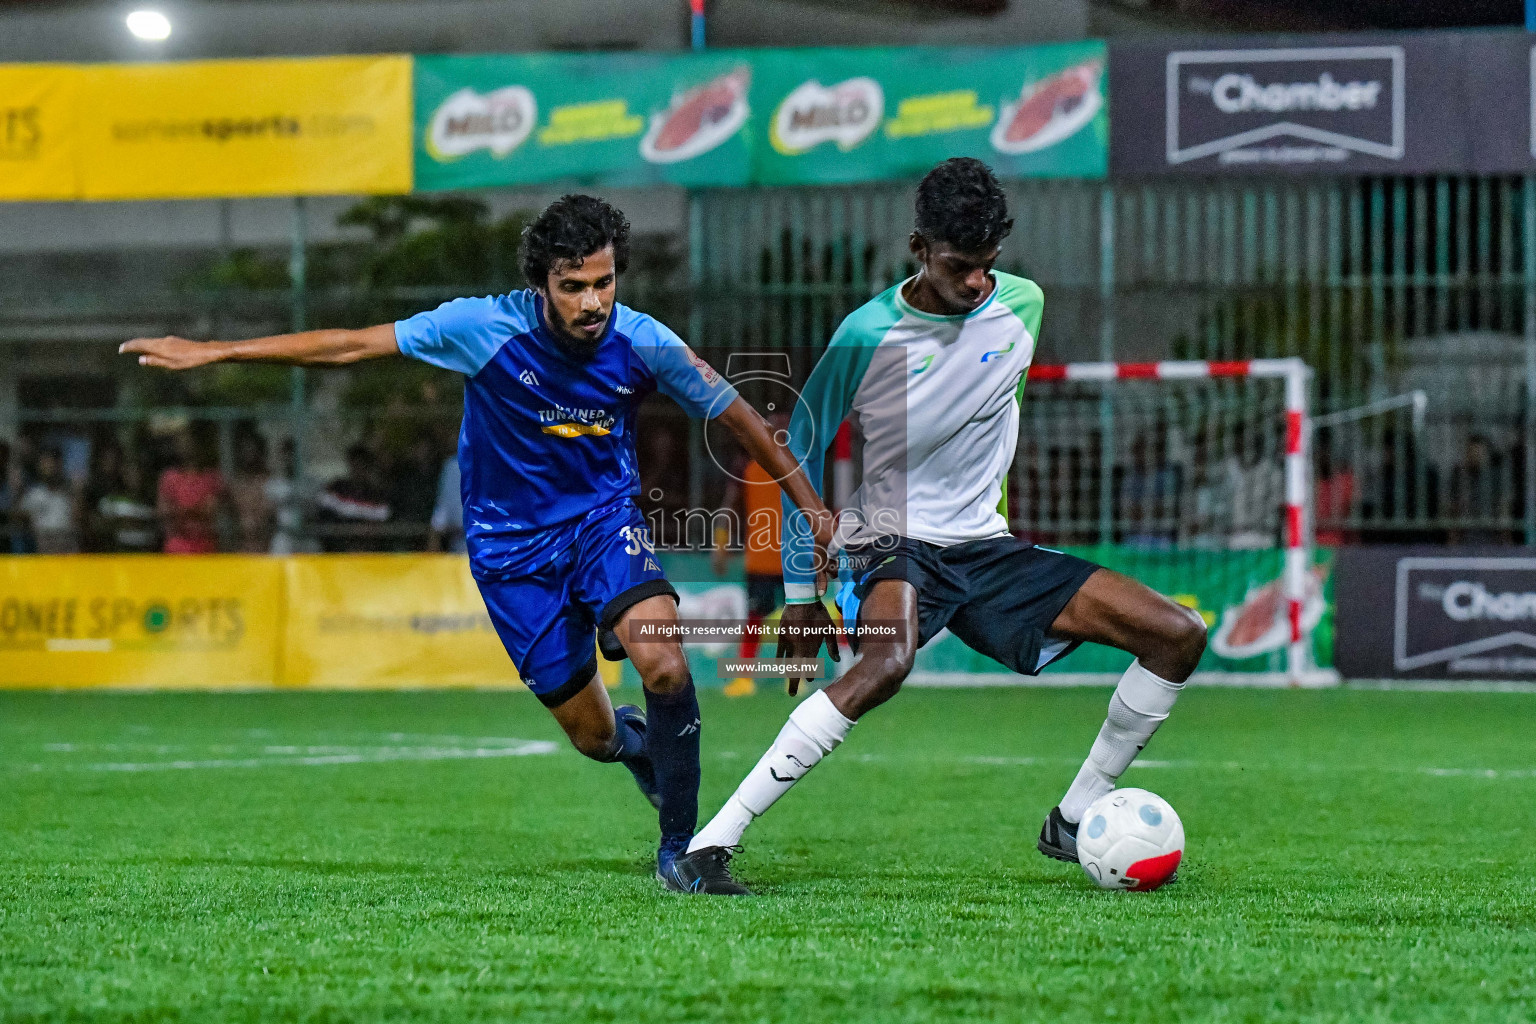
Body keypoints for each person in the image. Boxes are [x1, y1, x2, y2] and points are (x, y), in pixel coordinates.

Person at [121, 193, 834, 893]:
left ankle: (684, 852)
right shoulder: (480, 327)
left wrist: (811, 509)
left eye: (605, 282)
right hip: (511, 555)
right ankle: (638, 747)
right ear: (541, 285)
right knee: (593, 737)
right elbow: (353, 345)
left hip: (601, 524)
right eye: (573, 286)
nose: (593, 302)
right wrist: (218, 351)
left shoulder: (642, 340)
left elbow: (738, 414)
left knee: (667, 665)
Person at [672, 159, 1207, 894]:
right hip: (890, 537)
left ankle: (1074, 814)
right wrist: (802, 591)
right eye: (959, 266)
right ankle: (710, 846)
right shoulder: (866, 334)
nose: (976, 282)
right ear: (919, 247)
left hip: (984, 547)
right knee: (888, 665)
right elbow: (797, 446)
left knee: (1177, 634)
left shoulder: (1022, 306)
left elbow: (992, 418)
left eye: (988, 266)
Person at [712, 410, 793, 695]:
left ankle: (794, 677)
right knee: (754, 618)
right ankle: (744, 678)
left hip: (793, 558)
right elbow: (729, 505)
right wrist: (720, 543)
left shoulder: (797, 465)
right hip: (759, 557)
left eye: (784, 426)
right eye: (775, 425)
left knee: (797, 617)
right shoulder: (746, 465)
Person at [157, 427, 225, 554]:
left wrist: (180, 510)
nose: (187, 447)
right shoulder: (169, 477)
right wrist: (195, 509)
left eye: (190, 442)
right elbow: (164, 512)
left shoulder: (211, 477)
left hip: (205, 547)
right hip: (176, 548)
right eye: (182, 443)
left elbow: (210, 510)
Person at [316, 443, 392, 552]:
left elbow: (383, 519)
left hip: (369, 551)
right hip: (339, 550)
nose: (358, 469)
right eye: (355, 464)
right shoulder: (337, 488)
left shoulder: (376, 494)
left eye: (362, 465)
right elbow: (325, 516)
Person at [20, 447, 79, 554]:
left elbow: (78, 520)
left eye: (52, 464)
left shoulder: (70, 494)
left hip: (67, 552)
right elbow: (20, 521)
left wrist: (78, 493)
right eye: (45, 464)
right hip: (43, 552)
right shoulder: (33, 495)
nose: (49, 468)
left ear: (60, 465)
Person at [228, 433, 276, 553]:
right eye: (245, 451)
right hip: (241, 543)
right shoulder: (236, 483)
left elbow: (269, 512)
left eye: (252, 450)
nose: (248, 455)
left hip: (264, 543)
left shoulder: (269, 481)